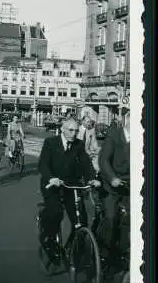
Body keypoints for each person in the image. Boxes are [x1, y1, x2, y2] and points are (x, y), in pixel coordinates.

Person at [37, 117, 100, 258]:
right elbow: (43, 164)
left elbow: (86, 164)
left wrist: (92, 179)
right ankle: (49, 240)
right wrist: (51, 178)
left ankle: (71, 249)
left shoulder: (78, 144)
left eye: (76, 131)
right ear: (62, 129)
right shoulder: (50, 142)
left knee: (81, 220)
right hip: (52, 185)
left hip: (71, 186)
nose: (74, 133)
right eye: (71, 130)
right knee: (56, 212)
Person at [98, 110, 130, 265]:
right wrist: (112, 178)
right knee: (111, 218)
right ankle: (104, 255)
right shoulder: (114, 135)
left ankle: (124, 252)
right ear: (127, 119)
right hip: (112, 185)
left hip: (130, 185)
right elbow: (103, 160)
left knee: (130, 220)